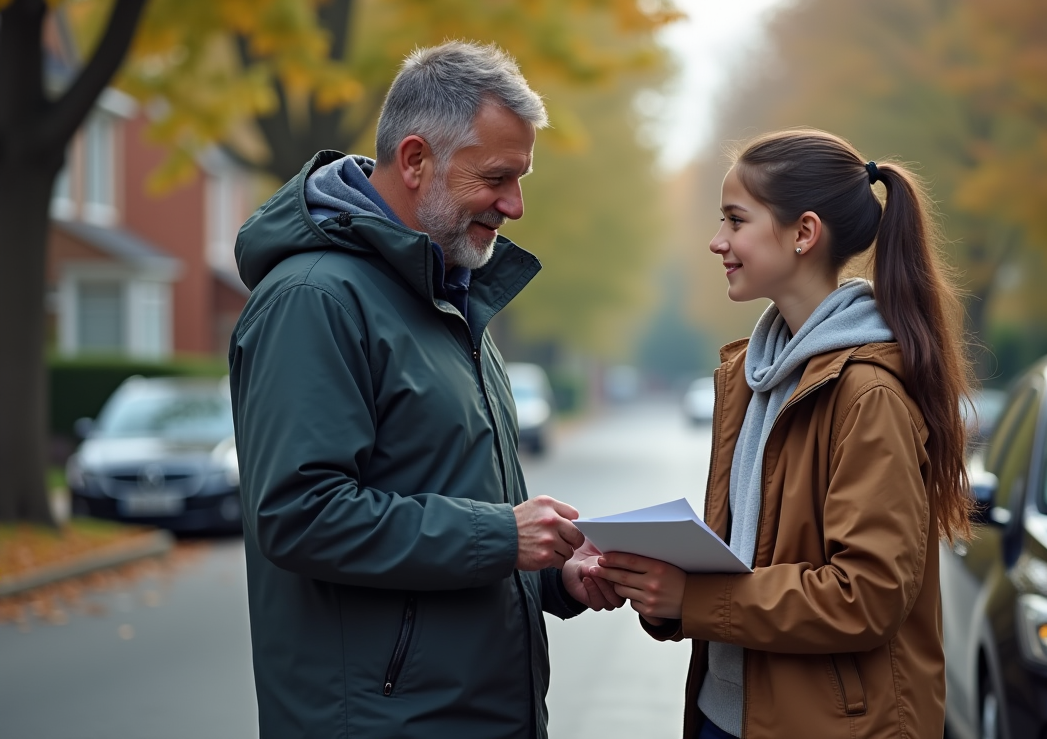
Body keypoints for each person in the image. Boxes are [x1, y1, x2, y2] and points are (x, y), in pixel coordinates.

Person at [228, 41, 622, 739]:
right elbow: (301, 514)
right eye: (497, 176)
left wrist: (555, 580)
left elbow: (451, 521)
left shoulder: (448, 302)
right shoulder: (313, 299)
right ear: (414, 161)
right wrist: (503, 533)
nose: (516, 205)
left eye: (521, 178)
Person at [594, 129, 974, 739]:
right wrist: (653, 580)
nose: (717, 242)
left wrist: (691, 600)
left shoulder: (868, 394)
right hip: (727, 714)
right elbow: (748, 556)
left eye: (736, 221)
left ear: (803, 233)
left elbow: (866, 596)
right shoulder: (752, 376)